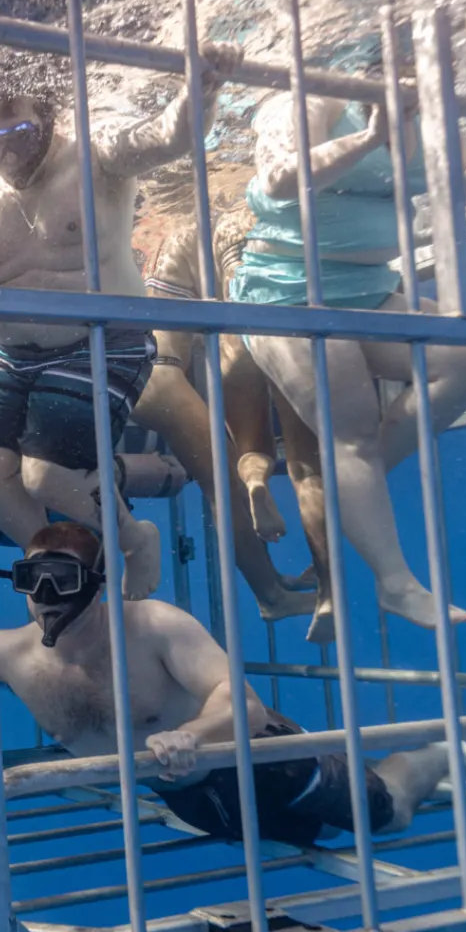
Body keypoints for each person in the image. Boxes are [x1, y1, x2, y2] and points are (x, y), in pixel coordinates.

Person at [0, 524, 466, 845]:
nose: (44, 600)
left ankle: (434, 757)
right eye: (29, 580)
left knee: (384, 816)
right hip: (191, 798)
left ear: (97, 582)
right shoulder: (4, 654)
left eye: (61, 581)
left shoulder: (152, 626)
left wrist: (190, 734)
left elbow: (245, 706)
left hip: (259, 761)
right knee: (320, 832)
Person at [235, 34, 466, 635]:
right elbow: (276, 178)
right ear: (376, 58)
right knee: (348, 431)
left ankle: (350, 477)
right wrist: (371, 136)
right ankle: (396, 584)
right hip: (286, 293)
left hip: (371, 287)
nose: (437, 80)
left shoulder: (424, 116)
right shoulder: (309, 98)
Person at [0, 51, 237, 597]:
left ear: (50, 119)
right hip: (6, 352)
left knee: (46, 479)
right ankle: (59, 564)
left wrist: (201, 87)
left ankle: (133, 539)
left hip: (99, 340)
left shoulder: (95, 154)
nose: (7, 155)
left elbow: (169, 137)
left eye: (20, 135)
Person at [135, 212, 320, 624]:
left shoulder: (169, 243)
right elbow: (243, 307)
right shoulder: (235, 225)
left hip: (150, 375)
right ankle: (270, 595)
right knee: (225, 486)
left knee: (226, 484)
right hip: (163, 378)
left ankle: (273, 580)